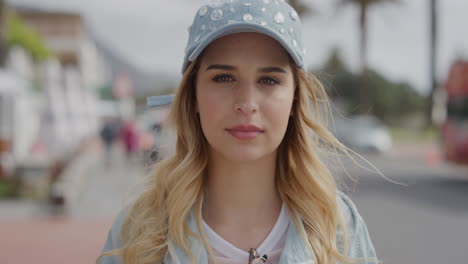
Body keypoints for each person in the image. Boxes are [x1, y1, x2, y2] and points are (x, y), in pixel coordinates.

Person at [98, 1, 378, 263]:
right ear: (193, 96)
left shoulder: (338, 224)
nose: (247, 104)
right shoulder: (139, 227)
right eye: (224, 77)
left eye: (269, 79)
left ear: (295, 98)